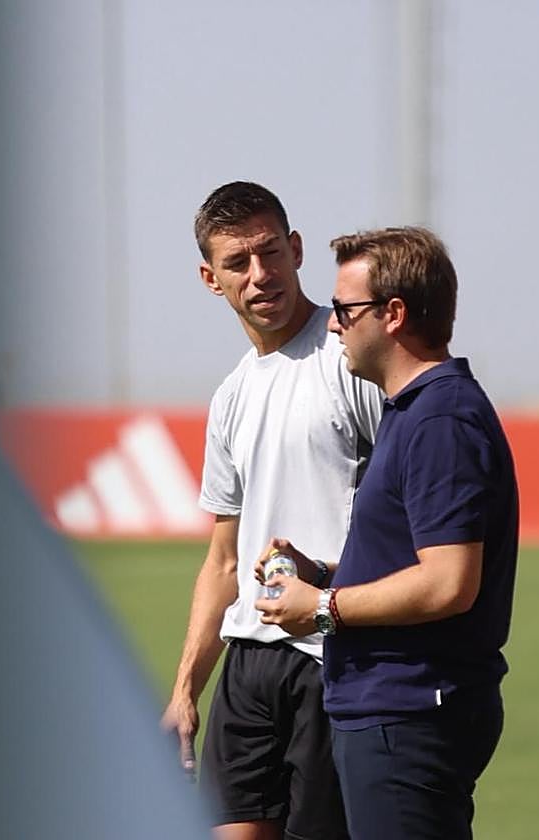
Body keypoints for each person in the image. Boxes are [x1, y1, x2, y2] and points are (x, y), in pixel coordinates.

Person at [255, 226, 519, 840]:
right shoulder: (412, 411)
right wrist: (319, 574)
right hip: (390, 710)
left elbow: (450, 582)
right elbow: (413, 561)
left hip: (407, 712)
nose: (334, 325)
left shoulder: (440, 418)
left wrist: (322, 607)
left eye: (346, 310)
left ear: (393, 314)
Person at [160, 181, 384, 840]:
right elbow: (224, 562)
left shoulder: (350, 358)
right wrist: (185, 691)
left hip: (332, 657)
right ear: (211, 278)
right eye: (238, 263)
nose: (259, 275)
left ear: (295, 249)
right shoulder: (230, 396)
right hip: (247, 666)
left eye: (269, 253)